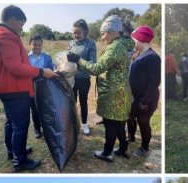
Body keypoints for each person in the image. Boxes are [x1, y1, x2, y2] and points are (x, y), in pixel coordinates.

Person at [0, 5, 57, 172]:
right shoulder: (6, 35)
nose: (22, 27)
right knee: (20, 125)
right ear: (13, 20)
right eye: (21, 23)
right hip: (14, 88)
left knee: (11, 122)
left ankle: (13, 151)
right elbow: (15, 67)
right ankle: (20, 161)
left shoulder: (0, 33)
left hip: (7, 88)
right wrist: (41, 71)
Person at [67, 15, 134, 162]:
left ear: (112, 32)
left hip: (113, 93)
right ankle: (123, 149)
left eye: (103, 34)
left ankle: (107, 153)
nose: (103, 38)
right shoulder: (123, 44)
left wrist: (78, 60)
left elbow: (96, 68)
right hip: (121, 91)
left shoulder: (115, 48)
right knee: (119, 124)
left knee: (110, 124)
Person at [128, 25, 161, 157]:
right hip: (134, 96)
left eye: (133, 39)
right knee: (130, 116)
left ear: (140, 40)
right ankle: (130, 138)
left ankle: (145, 147)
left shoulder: (152, 57)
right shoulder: (138, 54)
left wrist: (144, 101)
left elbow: (154, 82)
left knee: (143, 122)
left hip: (146, 98)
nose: (132, 42)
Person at [68, 19, 97, 135]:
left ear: (85, 31)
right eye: (74, 33)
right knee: (72, 101)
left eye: (78, 33)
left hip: (84, 78)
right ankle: (73, 123)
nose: (76, 35)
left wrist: (78, 61)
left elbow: (93, 62)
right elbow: (68, 58)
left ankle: (84, 124)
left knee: (83, 101)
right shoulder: (71, 43)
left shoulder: (91, 44)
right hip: (72, 78)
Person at [28, 34, 54, 139]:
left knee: (45, 108)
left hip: (44, 87)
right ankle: (37, 128)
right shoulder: (26, 58)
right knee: (34, 109)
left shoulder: (47, 57)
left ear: (42, 45)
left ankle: (47, 127)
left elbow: (51, 70)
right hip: (31, 87)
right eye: (34, 44)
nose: (37, 47)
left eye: (39, 44)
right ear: (30, 44)